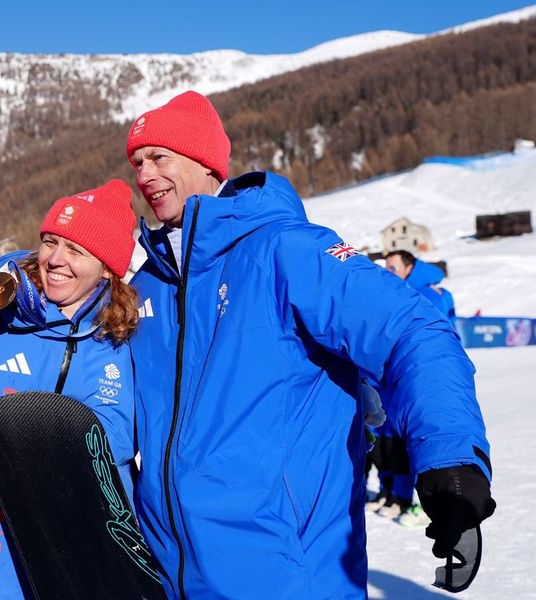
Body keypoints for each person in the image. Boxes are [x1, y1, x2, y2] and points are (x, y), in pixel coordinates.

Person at [124, 91, 495, 598]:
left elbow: (413, 331)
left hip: (288, 573)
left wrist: (452, 458)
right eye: (137, 161)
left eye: (159, 157)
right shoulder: (147, 287)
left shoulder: (286, 249)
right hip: (171, 579)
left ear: (205, 162)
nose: (144, 174)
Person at [0, 180, 141, 599]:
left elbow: (109, 463)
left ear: (108, 268)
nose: (56, 259)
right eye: (50, 242)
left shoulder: (117, 341)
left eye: (75, 250)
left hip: (54, 558)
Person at [368, 250, 459, 526]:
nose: (389, 271)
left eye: (394, 266)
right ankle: (392, 491)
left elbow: (430, 335)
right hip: (390, 374)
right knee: (385, 438)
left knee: (419, 437)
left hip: (421, 374)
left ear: (410, 268)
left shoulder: (429, 294)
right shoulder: (396, 291)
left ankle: (418, 501)